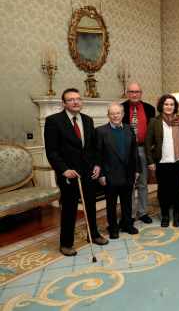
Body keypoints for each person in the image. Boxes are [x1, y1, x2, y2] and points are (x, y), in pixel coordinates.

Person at [44, 88, 108, 256]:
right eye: (71, 99)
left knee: (90, 205)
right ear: (64, 103)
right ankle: (66, 243)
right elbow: (52, 151)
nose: (75, 102)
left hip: (88, 172)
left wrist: (97, 165)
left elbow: (92, 147)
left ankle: (93, 234)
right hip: (69, 174)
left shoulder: (87, 120)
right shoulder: (53, 121)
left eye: (78, 99)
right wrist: (64, 170)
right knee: (69, 209)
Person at [95, 103, 140, 239]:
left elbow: (134, 152)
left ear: (123, 114)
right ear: (108, 115)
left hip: (128, 173)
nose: (115, 116)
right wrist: (101, 174)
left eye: (118, 113)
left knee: (127, 202)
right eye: (112, 113)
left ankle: (127, 224)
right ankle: (113, 227)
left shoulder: (129, 129)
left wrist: (137, 170)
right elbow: (98, 154)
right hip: (110, 174)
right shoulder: (100, 131)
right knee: (111, 204)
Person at [145, 94, 179, 228]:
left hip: (178, 161)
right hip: (162, 162)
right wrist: (150, 162)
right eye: (166, 104)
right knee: (163, 191)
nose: (169, 107)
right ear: (161, 106)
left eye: (171, 104)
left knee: (177, 190)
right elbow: (148, 143)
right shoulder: (154, 121)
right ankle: (165, 215)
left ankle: (176, 215)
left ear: (175, 107)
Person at [122, 82, 156, 225]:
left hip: (143, 149)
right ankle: (128, 214)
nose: (134, 94)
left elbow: (153, 130)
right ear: (127, 93)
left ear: (141, 93)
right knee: (129, 183)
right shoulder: (121, 108)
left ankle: (142, 212)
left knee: (142, 183)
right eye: (131, 92)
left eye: (137, 91)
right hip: (126, 150)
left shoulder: (149, 109)